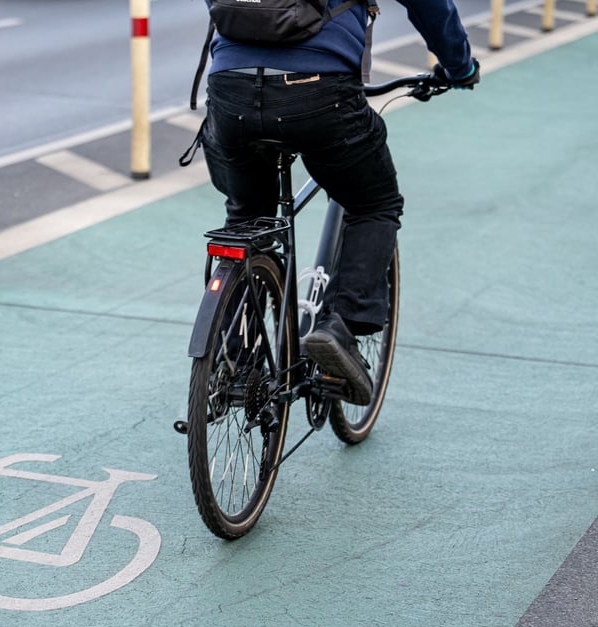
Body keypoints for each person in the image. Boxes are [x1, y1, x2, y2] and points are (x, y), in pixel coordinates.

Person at [197, 0, 479, 405]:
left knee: (248, 218)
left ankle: (236, 362)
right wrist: (459, 67)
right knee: (374, 204)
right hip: (318, 91)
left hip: (230, 91)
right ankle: (340, 328)